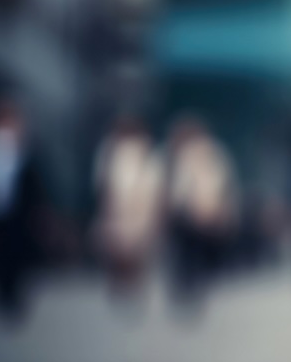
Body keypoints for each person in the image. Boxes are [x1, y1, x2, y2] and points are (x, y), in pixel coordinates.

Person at [0, 98, 46, 324]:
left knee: (15, 262)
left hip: (17, 223)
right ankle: (2, 299)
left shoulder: (23, 154)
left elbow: (33, 187)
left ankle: (12, 299)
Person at [165, 115, 238, 310]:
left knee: (192, 254)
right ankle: (189, 289)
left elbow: (223, 184)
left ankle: (191, 289)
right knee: (189, 254)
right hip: (194, 212)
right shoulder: (182, 154)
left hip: (200, 211)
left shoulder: (211, 153)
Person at [92, 115, 165, 301]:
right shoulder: (111, 153)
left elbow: (154, 186)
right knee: (123, 249)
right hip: (124, 212)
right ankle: (125, 285)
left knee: (133, 250)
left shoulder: (142, 155)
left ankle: (130, 285)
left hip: (136, 212)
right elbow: (105, 187)